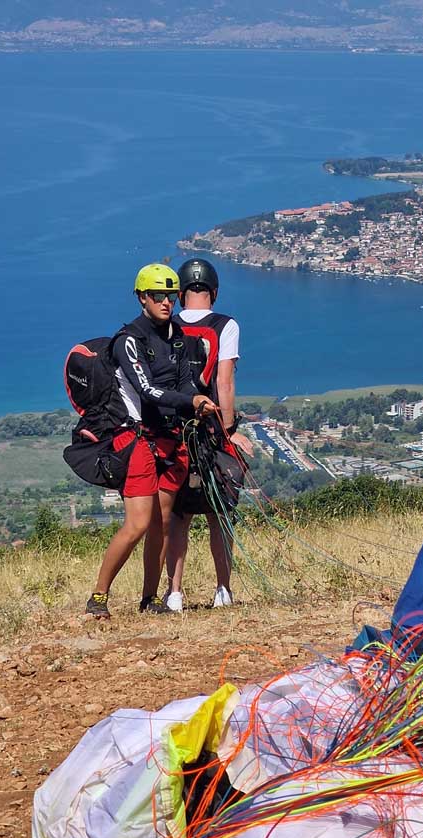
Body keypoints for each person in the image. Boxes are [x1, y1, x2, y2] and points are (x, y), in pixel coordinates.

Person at [85, 263, 215, 619]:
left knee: (161, 520)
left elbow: (186, 381)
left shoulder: (179, 336)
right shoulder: (129, 340)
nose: (166, 302)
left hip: (172, 439)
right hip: (137, 438)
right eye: (158, 296)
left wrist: (197, 402)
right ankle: (98, 596)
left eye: (171, 296)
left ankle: (150, 598)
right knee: (139, 523)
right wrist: (190, 401)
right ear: (142, 297)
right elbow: (147, 389)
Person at [163, 257, 254, 611]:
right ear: (213, 292)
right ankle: (223, 589)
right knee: (220, 512)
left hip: (174, 429)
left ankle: (174, 593)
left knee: (178, 516)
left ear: (181, 293)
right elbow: (224, 381)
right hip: (213, 429)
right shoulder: (224, 326)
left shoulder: (165, 325)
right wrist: (229, 429)